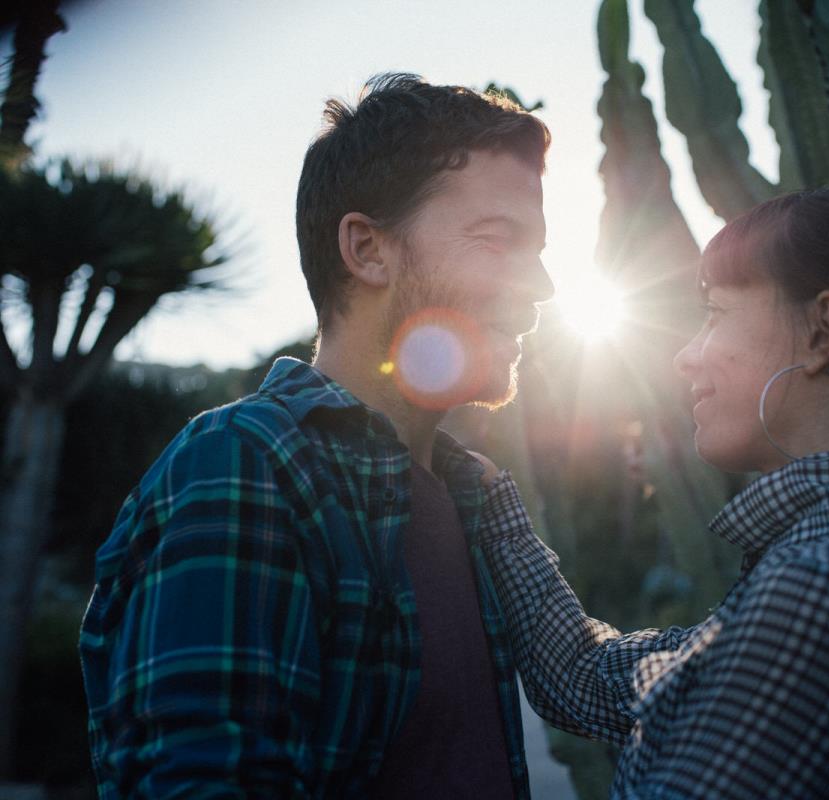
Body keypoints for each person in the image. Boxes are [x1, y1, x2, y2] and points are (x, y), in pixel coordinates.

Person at [79, 74, 553, 798]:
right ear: (367, 249)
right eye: (498, 241)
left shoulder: (474, 495)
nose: (544, 286)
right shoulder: (244, 464)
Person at [475, 172, 829, 798]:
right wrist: (493, 503)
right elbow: (589, 681)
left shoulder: (823, 585)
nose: (687, 356)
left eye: (714, 315)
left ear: (822, 332)